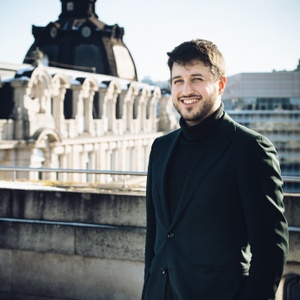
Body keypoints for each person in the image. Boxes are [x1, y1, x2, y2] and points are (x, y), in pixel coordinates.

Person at [142, 39, 289, 300]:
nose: (186, 89)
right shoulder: (160, 148)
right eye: (178, 81)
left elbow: (270, 249)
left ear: (220, 84)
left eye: (196, 79)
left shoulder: (251, 149)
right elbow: (155, 237)